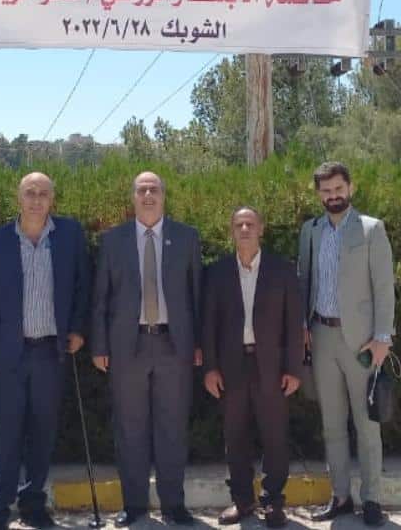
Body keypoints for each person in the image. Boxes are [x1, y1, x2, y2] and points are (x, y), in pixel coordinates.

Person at [0, 172, 89, 530]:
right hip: (9, 353)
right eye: (30, 193)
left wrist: (77, 329)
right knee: (8, 433)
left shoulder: (69, 234)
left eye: (43, 193)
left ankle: (33, 503)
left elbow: (83, 285)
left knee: (42, 432)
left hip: (49, 352)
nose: (36, 199)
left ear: (52, 198)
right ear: (19, 198)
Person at [91, 171, 202, 527]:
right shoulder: (113, 240)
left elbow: (196, 295)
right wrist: (99, 345)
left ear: (164, 195)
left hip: (174, 345)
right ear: (133, 197)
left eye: (154, 189)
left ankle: (174, 505)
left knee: (173, 428)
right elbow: (101, 298)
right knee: (130, 429)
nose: (149, 195)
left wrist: (199, 344)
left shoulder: (187, 237)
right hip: (128, 346)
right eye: (142, 190)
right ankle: (134, 505)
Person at [298, 162, 395, 527]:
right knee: (332, 424)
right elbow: (303, 280)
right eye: (326, 190)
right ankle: (340, 496)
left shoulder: (371, 229)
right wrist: (302, 327)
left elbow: (384, 287)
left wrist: (383, 338)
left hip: (362, 343)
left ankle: (372, 499)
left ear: (350, 188)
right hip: (321, 336)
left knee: (367, 424)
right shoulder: (310, 231)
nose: (333, 195)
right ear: (318, 194)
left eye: (338, 188)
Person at [202, 207, 302, 528]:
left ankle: (273, 502)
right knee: (235, 436)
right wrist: (210, 368)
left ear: (261, 229)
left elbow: (293, 323)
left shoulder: (282, 270)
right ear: (232, 231)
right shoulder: (217, 272)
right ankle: (242, 500)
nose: (244, 229)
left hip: (272, 367)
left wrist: (294, 368)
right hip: (231, 367)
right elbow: (209, 324)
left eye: (250, 224)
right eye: (238, 224)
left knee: (275, 436)